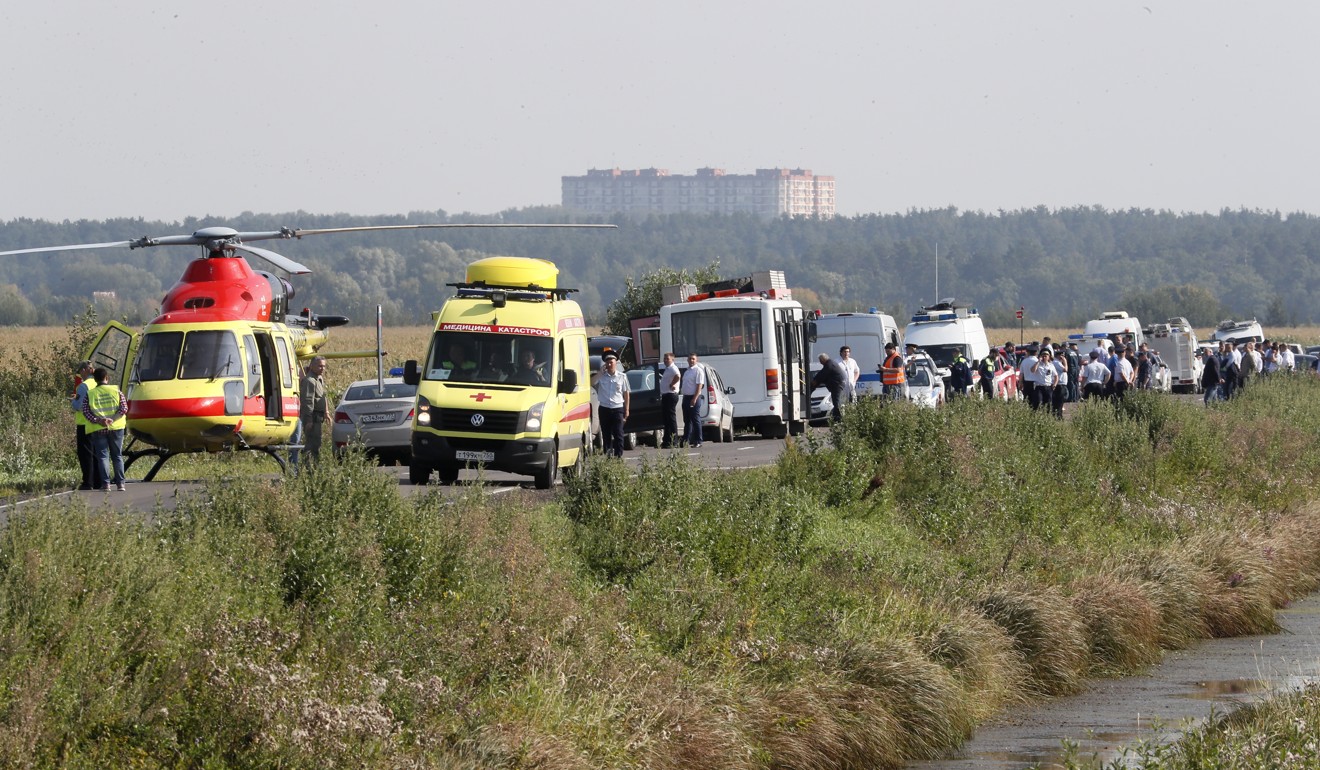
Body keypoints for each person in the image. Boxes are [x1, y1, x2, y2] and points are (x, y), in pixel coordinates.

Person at [82, 367, 128, 491]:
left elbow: (85, 411)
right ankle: (120, 484)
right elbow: (124, 408)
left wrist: (99, 420)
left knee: (103, 457)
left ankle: (106, 484)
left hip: (99, 429)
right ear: (107, 378)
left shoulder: (90, 394)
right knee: (117, 456)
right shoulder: (116, 391)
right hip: (116, 428)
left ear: (95, 380)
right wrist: (112, 419)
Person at [593, 352, 630, 457]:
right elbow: (591, 382)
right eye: (607, 363)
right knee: (606, 434)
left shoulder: (622, 377)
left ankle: (618, 456)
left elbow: (626, 394)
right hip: (604, 408)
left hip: (617, 408)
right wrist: (600, 373)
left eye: (611, 362)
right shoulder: (601, 376)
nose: (609, 365)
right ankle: (608, 455)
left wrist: (627, 410)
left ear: (616, 363)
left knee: (618, 434)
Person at [299, 356, 330, 465]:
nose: (322, 368)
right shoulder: (310, 381)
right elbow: (307, 402)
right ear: (312, 366)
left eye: (324, 366)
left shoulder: (319, 379)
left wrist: (326, 412)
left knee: (316, 444)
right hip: (313, 418)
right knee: (312, 445)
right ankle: (309, 468)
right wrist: (309, 420)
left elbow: (322, 396)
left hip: (318, 418)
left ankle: (313, 466)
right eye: (320, 366)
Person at [71, 359, 95, 490]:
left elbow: (78, 406)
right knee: (97, 454)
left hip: (84, 424)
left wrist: (74, 400)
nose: (80, 374)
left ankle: (88, 482)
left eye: (81, 371)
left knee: (85, 454)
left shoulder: (83, 386)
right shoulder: (99, 383)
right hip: (98, 423)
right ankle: (98, 480)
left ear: (85, 370)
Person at [812, 353, 848, 421]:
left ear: (823, 359)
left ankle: (838, 418)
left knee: (836, 402)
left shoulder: (829, 365)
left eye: (820, 360)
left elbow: (821, 375)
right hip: (837, 384)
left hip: (837, 385)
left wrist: (814, 382)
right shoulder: (829, 364)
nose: (820, 362)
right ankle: (837, 417)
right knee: (836, 401)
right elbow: (822, 375)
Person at [680, 353, 706, 448]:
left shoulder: (698, 371)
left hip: (694, 397)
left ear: (696, 360)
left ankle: (698, 440)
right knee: (687, 420)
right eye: (690, 359)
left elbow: (699, 386)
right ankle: (686, 440)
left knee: (695, 419)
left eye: (693, 359)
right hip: (686, 397)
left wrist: (694, 398)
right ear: (687, 360)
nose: (691, 361)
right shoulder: (687, 372)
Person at [658, 352, 682, 448]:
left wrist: (672, 384)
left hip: (670, 395)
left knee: (671, 419)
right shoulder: (667, 369)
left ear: (672, 359)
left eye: (667, 358)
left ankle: (674, 441)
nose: (665, 360)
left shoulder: (673, 368)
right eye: (664, 358)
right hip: (666, 395)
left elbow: (678, 376)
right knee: (666, 419)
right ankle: (667, 441)